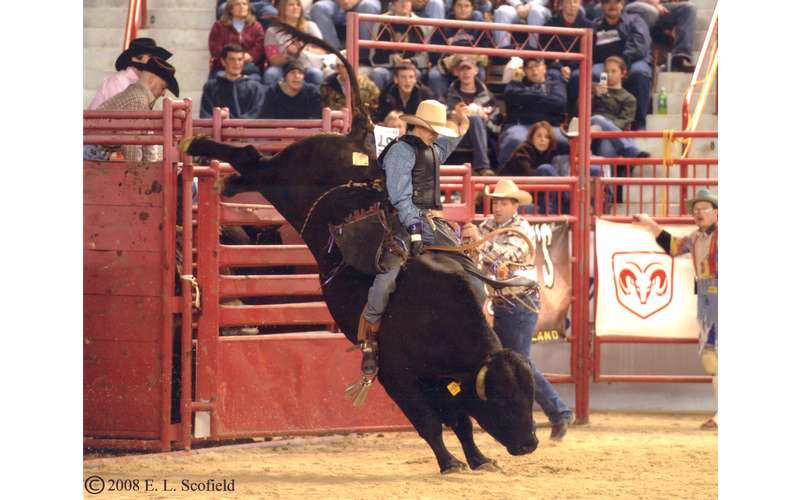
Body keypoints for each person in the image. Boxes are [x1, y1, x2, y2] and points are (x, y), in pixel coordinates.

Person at [461, 179, 575, 440]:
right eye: (495, 202)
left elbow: (504, 257)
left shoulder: (521, 229)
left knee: (518, 364)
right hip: (505, 302)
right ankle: (555, 413)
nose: (497, 207)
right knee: (515, 363)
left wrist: (477, 241)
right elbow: (480, 257)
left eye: (503, 203)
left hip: (520, 302)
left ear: (515, 206)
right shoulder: (489, 226)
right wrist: (469, 241)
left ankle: (557, 413)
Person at [359, 100, 472, 359]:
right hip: (400, 220)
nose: (436, 134)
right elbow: (400, 197)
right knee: (388, 275)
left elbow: (444, 146)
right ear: (420, 127)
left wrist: (462, 125)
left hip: (426, 220)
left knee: (465, 263)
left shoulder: (430, 148)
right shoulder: (401, 152)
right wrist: (414, 227)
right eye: (433, 129)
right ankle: (369, 331)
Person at [632, 188, 718, 430]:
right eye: (696, 209)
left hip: (715, 295)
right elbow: (673, 246)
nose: (699, 213)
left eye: (704, 209)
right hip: (707, 296)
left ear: (716, 212)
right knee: (713, 356)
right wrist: (650, 224)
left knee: (715, 355)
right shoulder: (695, 238)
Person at [94, 57, 180, 162]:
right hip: (93, 152)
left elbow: (143, 144)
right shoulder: (138, 100)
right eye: (163, 88)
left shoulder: (138, 98)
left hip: (95, 150)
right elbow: (132, 148)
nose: (163, 94)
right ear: (152, 80)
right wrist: (138, 173)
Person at [592, 0, 652, 131]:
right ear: (601, 6)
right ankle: (593, 121)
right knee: (590, 74)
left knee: (640, 72)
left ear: (622, 4)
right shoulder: (595, 25)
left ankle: (639, 124)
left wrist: (620, 63)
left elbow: (640, 46)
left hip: (632, 60)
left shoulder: (635, 20)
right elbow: (587, 49)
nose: (612, 5)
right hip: (603, 64)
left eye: (616, 1)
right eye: (608, 2)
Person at [498, 57, 568, 170]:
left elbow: (559, 104)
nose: (534, 70)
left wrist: (528, 99)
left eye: (537, 66)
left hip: (550, 126)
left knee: (564, 142)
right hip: (520, 125)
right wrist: (545, 99)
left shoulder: (556, 85)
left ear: (544, 68)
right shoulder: (515, 85)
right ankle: (505, 176)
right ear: (524, 71)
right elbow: (512, 96)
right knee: (515, 139)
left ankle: (561, 180)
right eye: (529, 67)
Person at [444, 55, 500, 175]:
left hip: (480, 137)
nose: (465, 73)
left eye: (468, 68)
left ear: (476, 70)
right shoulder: (449, 95)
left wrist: (483, 118)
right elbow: (441, 115)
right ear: (456, 72)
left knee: (475, 119)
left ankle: (483, 167)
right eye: (462, 69)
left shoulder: (488, 97)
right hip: (457, 134)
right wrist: (453, 115)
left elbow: (496, 124)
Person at [539, 0, 592, 116]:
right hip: (555, 65)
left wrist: (571, 67)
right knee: (553, 75)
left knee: (579, 76)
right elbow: (544, 51)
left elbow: (589, 53)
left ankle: (574, 116)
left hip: (578, 65)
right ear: (562, 4)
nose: (572, 5)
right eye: (568, 2)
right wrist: (560, 66)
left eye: (575, 2)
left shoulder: (588, 25)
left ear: (580, 4)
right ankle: (556, 115)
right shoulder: (550, 24)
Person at [88, 38, 173, 110]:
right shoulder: (118, 81)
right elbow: (116, 116)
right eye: (151, 58)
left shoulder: (144, 83)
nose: (155, 62)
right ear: (135, 59)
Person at [591, 56, 648, 158]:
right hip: (590, 129)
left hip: (610, 135)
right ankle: (630, 149)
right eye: (607, 71)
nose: (609, 75)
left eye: (614, 71)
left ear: (623, 73)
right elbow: (579, 109)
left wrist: (603, 127)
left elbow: (623, 122)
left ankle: (607, 173)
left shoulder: (629, 98)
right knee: (596, 118)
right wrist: (595, 93)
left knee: (606, 143)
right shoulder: (595, 89)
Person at [368, 0, 430, 93]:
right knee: (378, 73)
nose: (404, 4)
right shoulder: (381, 22)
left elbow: (425, 57)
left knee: (415, 74)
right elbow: (374, 57)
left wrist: (410, 61)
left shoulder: (420, 24)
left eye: (407, 1)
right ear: (393, 4)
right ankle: (380, 104)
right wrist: (391, 59)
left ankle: (411, 104)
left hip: (410, 68)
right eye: (400, 1)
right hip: (388, 68)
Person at [263, 0, 327, 86]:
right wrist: (287, 54)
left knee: (316, 74)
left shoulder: (311, 26)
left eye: (298, 5)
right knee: (271, 74)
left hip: (306, 66)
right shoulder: (272, 31)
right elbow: (273, 59)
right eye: (291, 5)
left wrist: (303, 48)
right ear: (283, 9)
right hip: (283, 67)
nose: (295, 8)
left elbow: (322, 51)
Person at [625, 0, 697, 72]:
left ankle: (680, 57)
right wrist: (654, 4)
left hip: (660, 6)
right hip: (635, 5)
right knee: (651, 12)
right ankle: (643, 58)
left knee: (688, 8)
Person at [200, 44, 266, 119]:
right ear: (223, 61)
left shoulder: (255, 88)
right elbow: (206, 115)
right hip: (219, 129)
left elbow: (257, 113)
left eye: (240, 59)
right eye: (232, 59)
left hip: (247, 130)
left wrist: (236, 125)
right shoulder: (211, 88)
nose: (236, 63)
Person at [208, 0, 266, 78]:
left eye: (244, 4)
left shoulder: (256, 26)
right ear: (230, 9)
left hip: (248, 68)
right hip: (224, 67)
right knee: (220, 79)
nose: (242, 7)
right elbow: (215, 49)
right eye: (237, 4)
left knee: (253, 80)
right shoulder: (219, 26)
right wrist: (232, 59)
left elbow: (260, 46)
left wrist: (250, 55)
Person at [309, 0, 382, 56]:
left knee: (367, 6)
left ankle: (362, 56)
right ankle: (335, 53)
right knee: (318, 8)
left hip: (364, 2)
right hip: (336, 4)